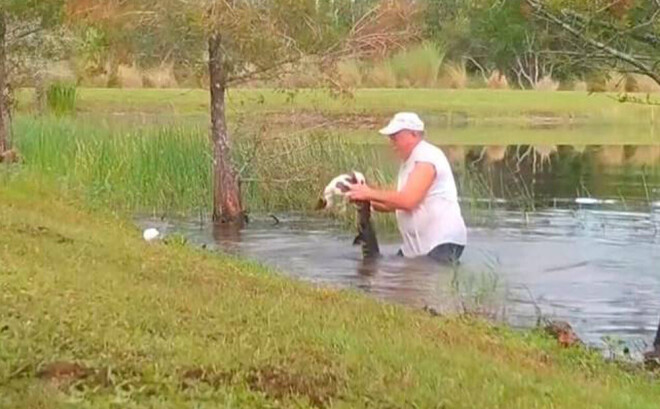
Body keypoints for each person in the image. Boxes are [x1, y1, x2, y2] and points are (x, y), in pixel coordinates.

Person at [347, 112, 467, 264]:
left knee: (413, 281)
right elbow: (396, 203)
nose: (391, 141)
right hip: (417, 247)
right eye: (390, 136)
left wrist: (368, 193)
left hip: (441, 242)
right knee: (388, 275)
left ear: (413, 134)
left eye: (395, 136)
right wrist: (365, 202)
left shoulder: (426, 157)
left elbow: (408, 201)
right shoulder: (411, 162)